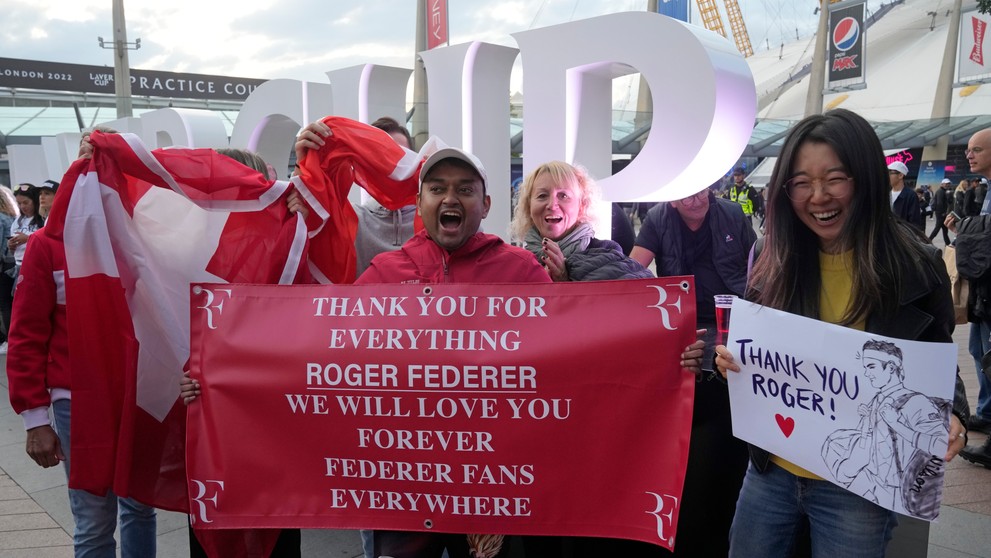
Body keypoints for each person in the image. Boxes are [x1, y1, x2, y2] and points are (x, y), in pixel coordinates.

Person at [714, 109, 968, 557]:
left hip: (857, 485)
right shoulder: (773, 255)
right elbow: (755, 350)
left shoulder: (915, 264)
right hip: (770, 468)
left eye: (835, 178)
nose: (818, 197)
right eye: (801, 182)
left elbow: (936, 355)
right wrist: (729, 361)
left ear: (866, 178)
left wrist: (955, 415)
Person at [6, 142, 158, 557]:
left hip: (138, 397)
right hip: (76, 400)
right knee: (94, 520)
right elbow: (25, 337)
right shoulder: (46, 246)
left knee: (141, 508)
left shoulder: (143, 242)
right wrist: (35, 419)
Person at [629, 187, 755, 557]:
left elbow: (758, 265)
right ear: (671, 198)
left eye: (703, 193)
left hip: (733, 318)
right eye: (687, 196)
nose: (697, 201)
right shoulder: (657, 219)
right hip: (684, 324)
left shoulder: (732, 213)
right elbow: (634, 268)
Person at [510, 161, 653, 282]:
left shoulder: (608, 256)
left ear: (582, 205)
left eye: (563, 196)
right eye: (542, 196)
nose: (552, 205)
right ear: (529, 207)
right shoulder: (515, 264)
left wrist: (566, 280)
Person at [950, 128, 991, 465]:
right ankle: (987, 412)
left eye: (977, 149)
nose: (969, 155)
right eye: (967, 150)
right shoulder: (986, 190)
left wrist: (967, 230)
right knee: (979, 350)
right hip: (984, 291)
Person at [353, 116, 417, 276]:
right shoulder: (353, 218)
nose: (393, 163)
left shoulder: (434, 219)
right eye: (382, 154)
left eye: (402, 154)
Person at [0, 188, 16, 354]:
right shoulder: (12, 216)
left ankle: (8, 340)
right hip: (12, 263)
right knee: (10, 303)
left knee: (4, 304)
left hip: (4, 265)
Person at [886, 161, 922, 230]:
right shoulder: (886, 194)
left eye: (890, 173)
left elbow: (914, 223)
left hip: (903, 237)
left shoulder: (911, 195)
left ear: (900, 175)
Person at [928, 178, 952, 245]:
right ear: (942, 184)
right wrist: (943, 213)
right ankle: (929, 240)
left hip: (942, 213)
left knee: (944, 229)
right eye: (946, 184)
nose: (948, 185)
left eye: (948, 184)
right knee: (938, 228)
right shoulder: (940, 191)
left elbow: (949, 202)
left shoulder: (945, 191)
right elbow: (939, 203)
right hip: (940, 213)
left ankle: (947, 243)